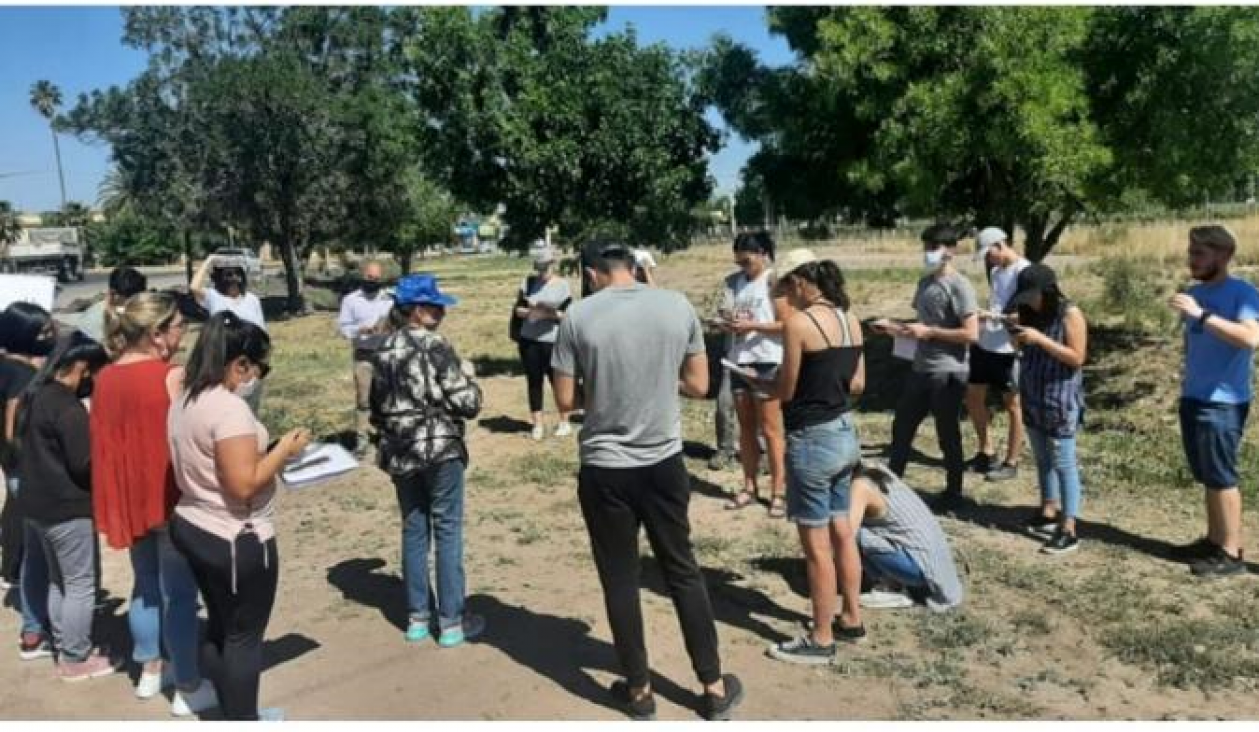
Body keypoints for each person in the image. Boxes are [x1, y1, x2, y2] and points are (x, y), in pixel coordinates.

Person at [552, 240, 743, 722]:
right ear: (633, 268)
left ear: (592, 273)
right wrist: (659, 380)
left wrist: (604, 385)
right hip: (663, 463)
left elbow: (564, 400)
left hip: (605, 468)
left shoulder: (578, 316)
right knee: (683, 570)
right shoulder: (676, 305)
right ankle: (713, 685)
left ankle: (638, 691)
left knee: (619, 578)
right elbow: (699, 385)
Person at [167, 312, 310, 721]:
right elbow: (243, 485)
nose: (258, 377)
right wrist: (284, 449)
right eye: (258, 367)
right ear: (239, 363)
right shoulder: (229, 410)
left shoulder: (185, 398)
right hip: (235, 536)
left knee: (220, 625)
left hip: (194, 523)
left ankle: (230, 706)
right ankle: (244, 719)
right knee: (245, 638)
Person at [92, 292, 217, 712]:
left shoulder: (105, 377)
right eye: (179, 325)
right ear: (156, 332)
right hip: (168, 497)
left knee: (145, 586)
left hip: (131, 498)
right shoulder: (171, 376)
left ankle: (149, 668)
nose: (184, 333)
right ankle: (187, 684)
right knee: (179, 595)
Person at [760, 253, 869, 664]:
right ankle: (851, 617)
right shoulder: (849, 318)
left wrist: (762, 382)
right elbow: (857, 382)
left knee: (816, 546)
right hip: (845, 432)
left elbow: (786, 389)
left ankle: (821, 638)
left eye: (787, 286)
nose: (786, 295)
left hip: (811, 439)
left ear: (801, 282)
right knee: (843, 532)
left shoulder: (798, 324)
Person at [370, 274, 484, 646]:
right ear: (419, 311)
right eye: (436, 306)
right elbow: (469, 404)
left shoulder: (382, 349)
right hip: (439, 450)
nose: (442, 312)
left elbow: (375, 407)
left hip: (400, 452)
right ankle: (452, 621)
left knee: (414, 530)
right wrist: (468, 376)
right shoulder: (436, 346)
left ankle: (417, 618)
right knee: (447, 530)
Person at [14, 331, 117, 681]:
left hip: (37, 505)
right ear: (83, 368)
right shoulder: (67, 407)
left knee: (60, 582)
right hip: (66, 507)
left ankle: (65, 645)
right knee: (79, 584)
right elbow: (84, 463)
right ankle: (75, 657)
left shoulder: (35, 395)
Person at [1168, 225, 1259, 578]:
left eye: (1199, 254)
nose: (1192, 260)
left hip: (1223, 402)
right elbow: (1192, 344)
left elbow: (1250, 339)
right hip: (1194, 397)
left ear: (1222, 256)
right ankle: (1214, 539)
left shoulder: (1242, 292)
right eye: (1191, 252)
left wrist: (1201, 315)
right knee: (1209, 476)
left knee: (1222, 477)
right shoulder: (1195, 292)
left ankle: (1231, 552)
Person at [878, 223, 979, 513]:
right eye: (926, 247)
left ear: (951, 250)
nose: (928, 253)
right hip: (921, 368)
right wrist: (895, 329)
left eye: (934, 248)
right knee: (902, 426)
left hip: (948, 370)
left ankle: (954, 492)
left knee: (947, 432)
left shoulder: (960, 286)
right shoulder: (924, 283)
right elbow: (919, 325)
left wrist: (931, 333)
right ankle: (891, 485)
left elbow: (971, 334)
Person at [1007, 264, 1089, 555]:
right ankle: (1048, 509)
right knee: (1042, 458)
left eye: (1033, 296)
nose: (1028, 301)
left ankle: (1069, 527)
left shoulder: (1070, 314)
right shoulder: (1030, 314)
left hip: (1060, 397)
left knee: (1063, 462)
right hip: (1033, 393)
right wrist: (1015, 336)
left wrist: (1040, 339)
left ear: (1048, 291)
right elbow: (1022, 350)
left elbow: (1077, 357)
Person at [1, 303, 58, 662]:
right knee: (43, 555)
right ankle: (39, 627)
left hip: (11, 469)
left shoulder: (4, 366)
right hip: (28, 469)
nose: (52, 338)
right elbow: (14, 429)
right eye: (46, 332)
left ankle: (36, 624)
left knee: (34, 549)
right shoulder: (22, 377)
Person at [721, 231, 790, 517]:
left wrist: (755, 328)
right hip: (738, 360)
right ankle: (749, 486)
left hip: (766, 361)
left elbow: (787, 324)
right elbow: (728, 313)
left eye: (747, 261)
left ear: (763, 254)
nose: (743, 268)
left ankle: (779, 491)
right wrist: (727, 323)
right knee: (745, 429)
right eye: (739, 262)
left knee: (772, 430)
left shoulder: (775, 282)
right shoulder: (734, 283)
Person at [846, 461, 964, 612]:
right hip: (934, 566)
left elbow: (844, 536)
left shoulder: (860, 487)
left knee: (848, 532)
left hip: (919, 569)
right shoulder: (874, 469)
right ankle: (894, 580)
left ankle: (893, 588)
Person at [964, 228, 1029, 482]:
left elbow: (1027, 314)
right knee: (973, 396)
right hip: (985, 341)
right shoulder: (995, 271)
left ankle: (1012, 461)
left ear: (1000, 245)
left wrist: (997, 317)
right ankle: (986, 450)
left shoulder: (1025, 271)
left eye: (989, 253)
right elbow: (998, 303)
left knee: (1012, 404)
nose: (988, 260)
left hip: (1008, 347)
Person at [513, 249, 573, 441]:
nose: (541, 273)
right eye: (538, 269)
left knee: (557, 381)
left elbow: (567, 315)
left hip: (553, 341)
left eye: (544, 268)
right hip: (529, 339)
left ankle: (564, 421)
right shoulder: (529, 282)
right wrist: (529, 311)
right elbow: (518, 309)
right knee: (534, 381)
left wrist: (547, 314)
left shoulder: (563, 286)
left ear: (552, 265)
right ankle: (537, 423)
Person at [337, 262, 394, 456]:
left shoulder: (389, 299)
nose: (373, 282)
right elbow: (344, 328)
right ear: (362, 276)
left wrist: (387, 328)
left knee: (387, 397)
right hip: (363, 355)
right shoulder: (350, 300)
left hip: (386, 354)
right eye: (370, 278)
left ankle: (386, 436)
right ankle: (361, 440)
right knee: (363, 400)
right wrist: (358, 330)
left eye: (377, 279)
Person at [67, 266, 148, 344]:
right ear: (113, 294)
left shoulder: (118, 308)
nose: (136, 302)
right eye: (129, 299)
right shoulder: (103, 317)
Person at [191, 256, 267, 330]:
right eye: (229, 275)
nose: (234, 278)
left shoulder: (252, 299)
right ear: (220, 279)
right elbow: (194, 287)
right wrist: (209, 260)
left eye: (238, 274)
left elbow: (261, 330)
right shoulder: (213, 296)